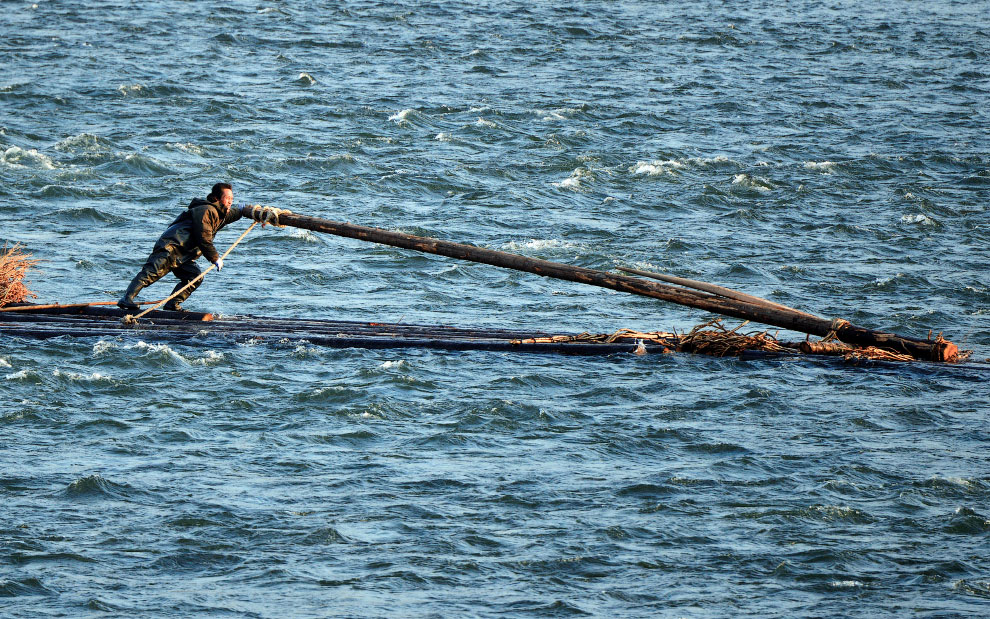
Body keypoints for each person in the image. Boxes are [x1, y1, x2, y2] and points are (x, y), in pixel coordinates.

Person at [118, 182, 242, 312]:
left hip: (183, 254)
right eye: (227, 198)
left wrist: (256, 213)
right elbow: (203, 237)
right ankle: (126, 299)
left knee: (194, 276)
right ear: (217, 198)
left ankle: (172, 304)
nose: (230, 202)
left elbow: (236, 213)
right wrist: (215, 258)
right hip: (172, 247)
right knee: (150, 273)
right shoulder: (206, 210)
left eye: (232, 199)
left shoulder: (218, 213)